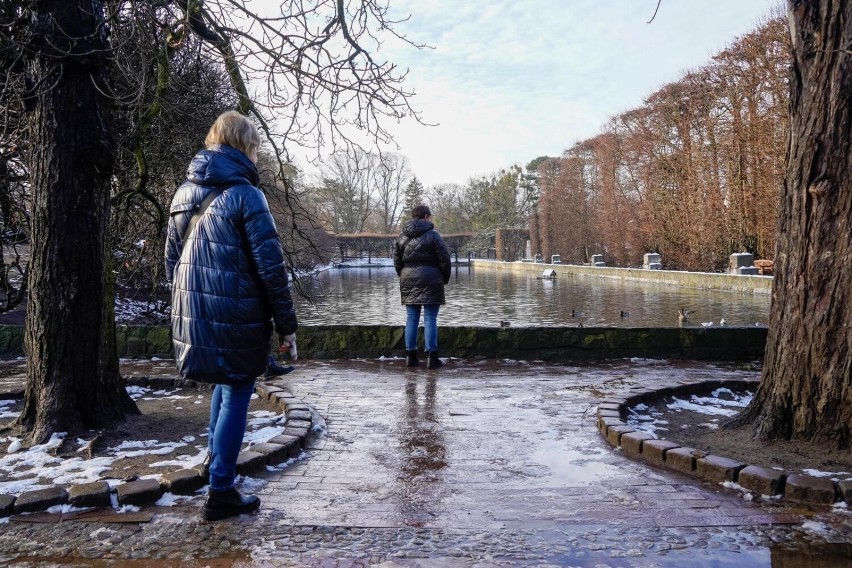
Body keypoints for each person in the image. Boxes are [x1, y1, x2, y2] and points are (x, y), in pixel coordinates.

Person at [165, 111, 297, 521]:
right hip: (236, 311)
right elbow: (271, 269)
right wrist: (287, 326)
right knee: (238, 389)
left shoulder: (183, 193)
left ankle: (213, 463)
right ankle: (221, 489)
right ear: (245, 146)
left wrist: (193, 303)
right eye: (255, 148)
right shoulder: (247, 196)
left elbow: (171, 260)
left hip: (193, 312)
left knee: (224, 386)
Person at [393, 204, 452, 369]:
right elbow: (444, 259)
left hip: (408, 279)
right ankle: (431, 357)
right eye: (430, 216)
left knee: (411, 318)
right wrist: (443, 278)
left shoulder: (402, 237)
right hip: (432, 278)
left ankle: (410, 357)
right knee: (430, 318)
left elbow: (397, 262)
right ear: (426, 216)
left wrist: (404, 276)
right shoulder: (433, 235)